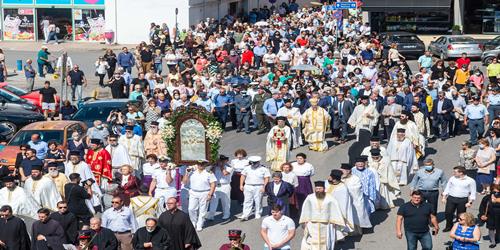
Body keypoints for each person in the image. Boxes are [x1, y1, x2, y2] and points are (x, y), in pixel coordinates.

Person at [299, 181, 348, 250]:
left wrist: (334, 221)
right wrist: (305, 220)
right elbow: (306, 209)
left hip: (326, 224)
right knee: (312, 241)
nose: (318, 190)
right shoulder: (310, 197)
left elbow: (335, 210)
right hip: (313, 224)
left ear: (324, 189)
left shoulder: (330, 198)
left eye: (320, 188)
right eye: (317, 189)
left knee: (326, 241)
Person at [182, 160, 216, 231]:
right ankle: (193, 222)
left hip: (205, 192)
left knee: (203, 210)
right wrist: (187, 173)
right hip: (193, 192)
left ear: (205, 165)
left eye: (202, 164)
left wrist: (210, 194)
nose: (200, 165)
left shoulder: (209, 173)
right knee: (191, 209)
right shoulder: (191, 172)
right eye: (199, 164)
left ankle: (200, 224)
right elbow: (184, 182)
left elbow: (213, 184)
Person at [442, 166, 477, 232]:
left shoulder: (471, 181)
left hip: (462, 200)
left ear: (461, 173)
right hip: (451, 198)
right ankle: (449, 226)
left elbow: (473, 192)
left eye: (455, 172)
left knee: (460, 215)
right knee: (448, 213)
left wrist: (470, 202)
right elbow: (447, 188)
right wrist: (444, 197)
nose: (453, 173)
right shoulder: (452, 178)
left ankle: (459, 227)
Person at [340, 163, 372, 234]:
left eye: (343, 171)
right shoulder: (340, 178)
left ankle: (356, 231)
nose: (341, 173)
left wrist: (345, 189)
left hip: (354, 201)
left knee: (354, 215)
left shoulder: (355, 178)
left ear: (348, 171)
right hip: (344, 201)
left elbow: (357, 189)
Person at [239, 156, 271, 221]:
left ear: (258, 162)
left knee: (258, 201)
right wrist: (241, 185)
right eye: (252, 163)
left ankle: (258, 213)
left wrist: (264, 187)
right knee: (247, 201)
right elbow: (243, 176)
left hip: (259, 186)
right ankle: (245, 215)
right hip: (248, 186)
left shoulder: (264, 169)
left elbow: (266, 178)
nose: (253, 164)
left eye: (255, 163)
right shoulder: (247, 168)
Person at [207, 155, 233, 221]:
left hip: (225, 185)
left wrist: (221, 166)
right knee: (213, 201)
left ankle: (226, 214)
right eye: (220, 160)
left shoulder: (229, 167)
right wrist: (214, 165)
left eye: (223, 160)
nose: (221, 162)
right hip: (216, 186)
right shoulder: (215, 167)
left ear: (226, 160)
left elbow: (225, 173)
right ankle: (211, 215)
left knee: (225, 201)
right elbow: (210, 173)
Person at [478, 184, 500, 248]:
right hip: (490, 216)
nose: (496, 193)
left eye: (498, 192)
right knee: (491, 229)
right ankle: (493, 242)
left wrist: (496, 200)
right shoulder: (487, 198)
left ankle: (497, 237)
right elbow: (482, 207)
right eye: (494, 191)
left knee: (498, 229)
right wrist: (482, 214)